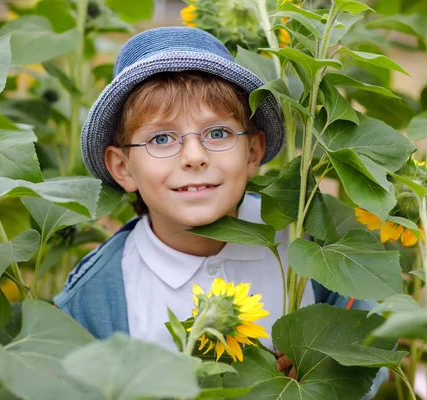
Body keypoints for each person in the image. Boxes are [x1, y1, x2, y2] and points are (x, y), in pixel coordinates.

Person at [53, 26, 386, 396]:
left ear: (254, 153)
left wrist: (323, 372)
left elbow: (370, 350)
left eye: (217, 133)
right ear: (123, 168)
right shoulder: (96, 296)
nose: (194, 157)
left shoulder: (305, 245)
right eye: (161, 138)